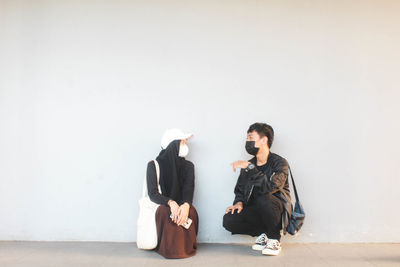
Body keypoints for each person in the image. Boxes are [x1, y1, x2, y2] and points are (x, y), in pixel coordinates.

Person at [223, 123, 291, 256]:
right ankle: (264, 233)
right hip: (258, 210)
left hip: (276, 209)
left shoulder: (280, 163)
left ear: (264, 140)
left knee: (263, 197)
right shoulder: (250, 164)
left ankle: (274, 239)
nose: (247, 142)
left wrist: (251, 169)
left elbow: (270, 187)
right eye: (247, 138)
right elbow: (240, 190)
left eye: (250, 138)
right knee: (229, 220)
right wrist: (238, 203)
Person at [147, 128, 198, 259]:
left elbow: (188, 190)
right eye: (182, 143)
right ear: (173, 145)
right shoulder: (153, 165)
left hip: (181, 205)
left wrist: (185, 205)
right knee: (165, 213)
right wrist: (171, 202)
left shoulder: (188, 166)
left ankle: (183, 247)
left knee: (191, 212)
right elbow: (153, 193)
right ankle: (171, 249)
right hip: (163, 204)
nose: (185, 146)